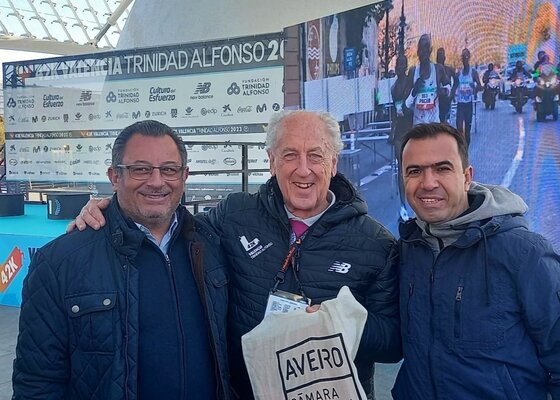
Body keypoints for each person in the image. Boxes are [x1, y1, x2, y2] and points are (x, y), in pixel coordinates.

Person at [70, 110, 401, 399]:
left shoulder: (375, 243)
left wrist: (338, 322)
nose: (303, 170)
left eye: (315, 155)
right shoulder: (235, 214)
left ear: (334, 163)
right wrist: (112, 210)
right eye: (289, 155)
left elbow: (392, 342)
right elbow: (170, 224)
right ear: (271, 161)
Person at [13, 120, 231, 399]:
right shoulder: (59, 262)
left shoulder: (214, 244)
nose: (157, 182)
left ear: (184, 176)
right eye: (140, 169)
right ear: (115, 177)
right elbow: (37, 383)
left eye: (169, 169)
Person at [392, 122, 560, 399]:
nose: (428, 183)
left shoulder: (526, 253)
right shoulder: (407, 250)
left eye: (442, 168)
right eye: (415, 171)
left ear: (467, 176)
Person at [405, 34, 451, 125]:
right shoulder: (413, 71)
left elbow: (448, 86)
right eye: (421, 49)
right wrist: (414, 91)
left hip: (434, 124)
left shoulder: (438, 69)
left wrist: (445, 91)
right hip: (419, 125)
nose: (423, 52)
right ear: (418, 52)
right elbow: (406, 105)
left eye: (426, 48)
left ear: (430, 50)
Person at [390, 53, 413, 219]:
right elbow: (394, 111)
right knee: (401, 167)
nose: (400, 67)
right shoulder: (393, 88)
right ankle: (403, 205)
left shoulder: (411, 83)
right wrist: (392, 131)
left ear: (406, 66)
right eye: (398, 64)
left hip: (412, 127)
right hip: (400, 130)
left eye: (402, 64)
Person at [450, 48, 481, 147]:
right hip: (460, 104)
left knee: (467, 130)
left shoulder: (473, 72)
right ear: (461, 59)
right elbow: (454, 86)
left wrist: (475, 88)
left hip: (469, 104)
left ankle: (466, 149)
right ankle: (461, 147)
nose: (465, 59)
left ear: (469, 58)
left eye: (466, 57)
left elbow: (480, 86)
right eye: (463, 57)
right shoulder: (458, 73)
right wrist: (451, 96)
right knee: (459, 128)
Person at [436, 47, 455, 123]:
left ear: (444, 58)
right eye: (438, 56)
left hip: (446, 100)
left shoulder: (449, 69)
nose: (440, 58)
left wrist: (452, 92)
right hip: (437, 100)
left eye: (442, 56)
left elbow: (457, 81)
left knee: (445, 120)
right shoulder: (434, 69)